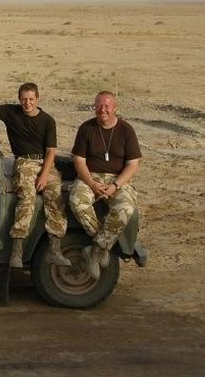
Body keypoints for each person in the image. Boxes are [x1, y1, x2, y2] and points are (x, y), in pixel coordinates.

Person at [0, 82, 71, 269]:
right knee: (26, 196)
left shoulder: (47, 120)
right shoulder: (12, 112)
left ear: (37, 99)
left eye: (31, 99)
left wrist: (44, 176)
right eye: (24, 99)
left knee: (55, 196)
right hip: (24, 161)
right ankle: (17, 250)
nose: (27, 103)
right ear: (19, 100)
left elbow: (51, 151)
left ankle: (54, 249)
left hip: (44, 162)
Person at [69, 91, 141, 280]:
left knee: (125, 207)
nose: (103, 110)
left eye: (107, 106)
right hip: (90, 176)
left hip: (117, 179)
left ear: (115, 108)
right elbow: (79, 160)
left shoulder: (126, 130)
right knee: (77, 201)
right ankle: (102, 243)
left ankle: (95, 250)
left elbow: (133, 165)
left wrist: (115, 185)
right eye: (99, 106)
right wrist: (92, 184)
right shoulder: (87, 128)